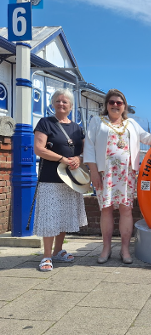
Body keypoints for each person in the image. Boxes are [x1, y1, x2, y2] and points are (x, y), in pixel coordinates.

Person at [83, 89, 151, 264]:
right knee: (106, 210)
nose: (115, 105)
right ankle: (106, 248)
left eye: (119, 102)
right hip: (104, 173)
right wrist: (93, 172)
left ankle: (125, 249)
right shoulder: (96, 121)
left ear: (124, 106)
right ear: (106, 105)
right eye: (112, 102)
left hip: (127, 173)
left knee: (126, 210)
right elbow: (89, 147)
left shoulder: (131, 123)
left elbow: (147, 138)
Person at [33, 88, 88, 272]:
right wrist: (62, 159)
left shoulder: (77, 128)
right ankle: (46, 256)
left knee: (63, 217)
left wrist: (78, 159)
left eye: (65, 102)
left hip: (70, 180)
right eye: (58, 101)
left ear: (71, 106)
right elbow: (39, 149)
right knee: (49, 220)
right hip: (50, 179)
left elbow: (82, 151)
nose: (61, 104)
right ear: (53, 103)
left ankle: (58, 250)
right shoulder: (45, 123)